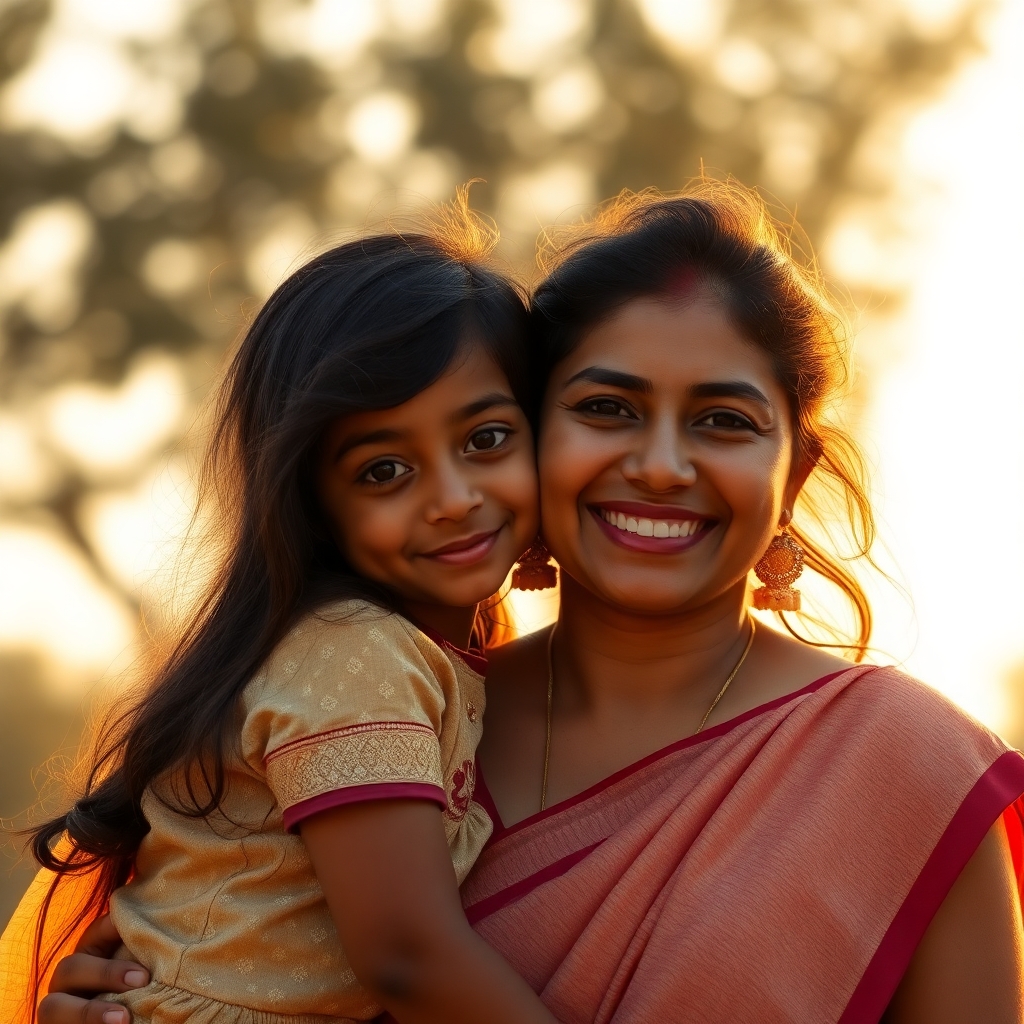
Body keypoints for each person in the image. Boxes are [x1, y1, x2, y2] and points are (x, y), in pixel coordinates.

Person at [29, 184, 1024, 1023]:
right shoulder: (389, 707)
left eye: (723, 420)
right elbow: (204, 935)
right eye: (605, 408)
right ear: (531, 428)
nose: (661, 465)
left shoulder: (905, 774)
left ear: (792, 469)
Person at [4, 215, 564, 1024]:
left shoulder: (432, 658)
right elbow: (408, 958)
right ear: (309, 499)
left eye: (486, 438)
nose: (452, 497)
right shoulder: (357, 651)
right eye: (385, 470)